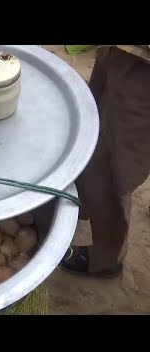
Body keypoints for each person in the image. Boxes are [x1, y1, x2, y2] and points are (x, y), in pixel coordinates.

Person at [61, 45, 150, 278]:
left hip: (143, 70)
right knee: (90, 118)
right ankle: (81, 206)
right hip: (120, 51)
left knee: (115, 169)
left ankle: (107, 260)